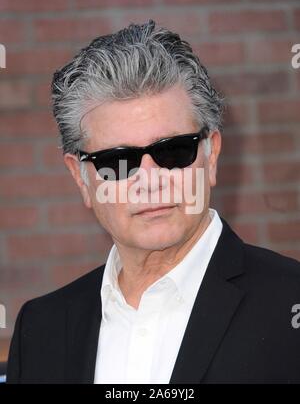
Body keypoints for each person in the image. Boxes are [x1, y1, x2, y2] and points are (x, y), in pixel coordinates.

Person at [7, 20, 300, 384]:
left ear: (211, 156)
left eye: (174, 151)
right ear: (80, 178)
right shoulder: (40, 329)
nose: (150, 181)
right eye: (118, 161)